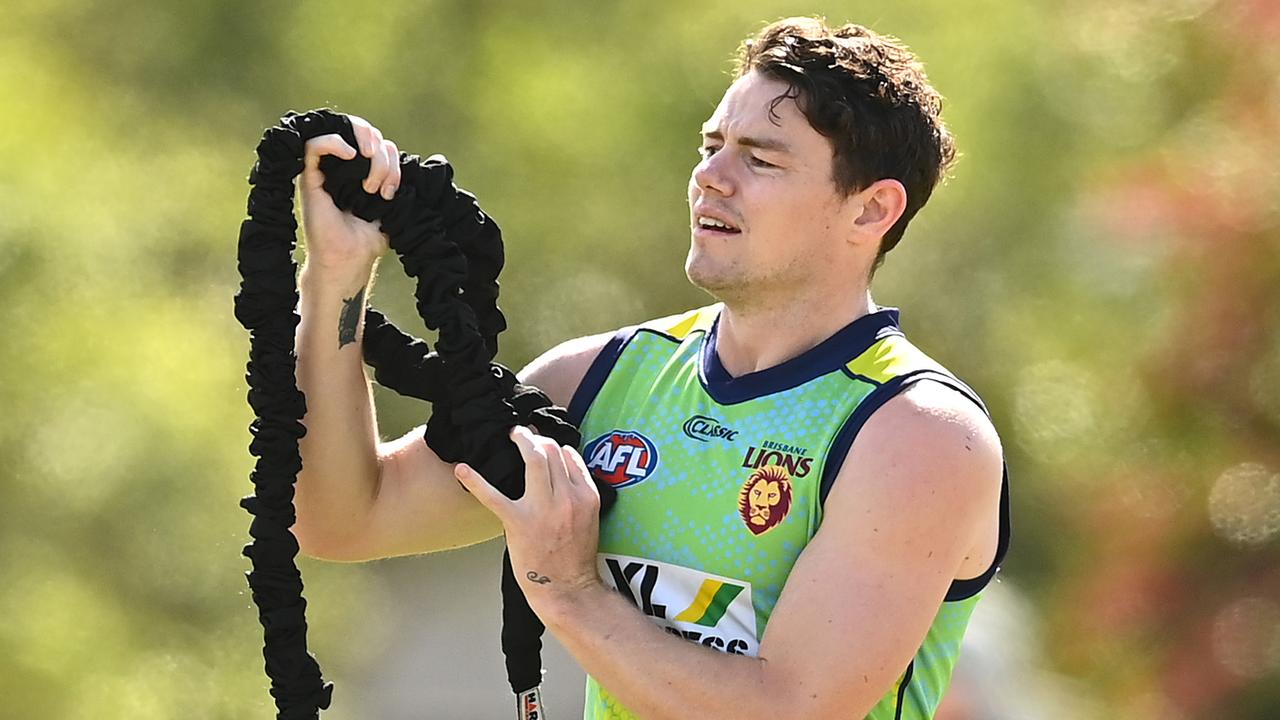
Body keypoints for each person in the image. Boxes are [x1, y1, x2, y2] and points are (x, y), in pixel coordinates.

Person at [291, 16, 1009, 720]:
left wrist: (569, 590)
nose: (710, 178)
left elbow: (790, 709)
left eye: (760, 158)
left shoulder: (919, 437)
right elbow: (346, 518)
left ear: (870, 210)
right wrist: (337, 278)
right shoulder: (597, 379)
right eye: (711, 145)